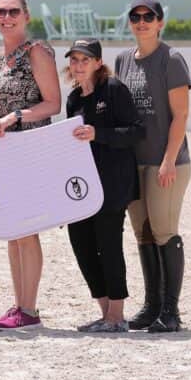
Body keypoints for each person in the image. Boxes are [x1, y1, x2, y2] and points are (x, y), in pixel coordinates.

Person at [0, 0, 62, 331]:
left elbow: (53, 103)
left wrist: (15, 116)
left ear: (26, 16)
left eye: (13, 11)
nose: (7, 17)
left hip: (30, 148)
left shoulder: (37, 52)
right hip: (1, 153)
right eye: (1, 11)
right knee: (13, 232)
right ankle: (19, 306)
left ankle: (28, 309)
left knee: (26, 231)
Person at [115, 0, 191, 333]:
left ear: (160, 22)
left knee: (163, 230)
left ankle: (171, 311)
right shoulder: (122, 60)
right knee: (143, 233)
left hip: (166, 162)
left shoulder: (171, 60)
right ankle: (151, 306)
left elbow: (181, 115)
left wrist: (168, 160)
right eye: (136, 16)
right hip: (134, 162)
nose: (142, 22)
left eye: (149, 16)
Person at [64, 39, 143, 333]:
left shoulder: (113, 89)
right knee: (82, 246)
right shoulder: (73, 99)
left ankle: (117, 315)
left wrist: (99, 134)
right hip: (82, 187)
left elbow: (136, 131)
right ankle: (105, 313)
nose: (79, 65)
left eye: (85, 60)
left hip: (113, 183)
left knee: (109, 247)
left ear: (98, 63)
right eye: (74, 60)